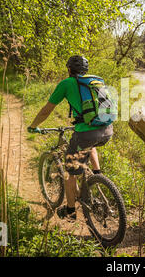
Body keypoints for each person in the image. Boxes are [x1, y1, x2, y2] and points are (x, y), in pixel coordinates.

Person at [27, 55, 113, 220]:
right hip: (107, 129)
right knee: (90, 145)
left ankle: (70, 211)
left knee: (70, 173)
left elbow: (47, 110)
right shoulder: (95, 82)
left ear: (69, 69)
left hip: (86, 133)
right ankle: (97, 176)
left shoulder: (67, 83)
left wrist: (33, 126)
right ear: (85, 70)